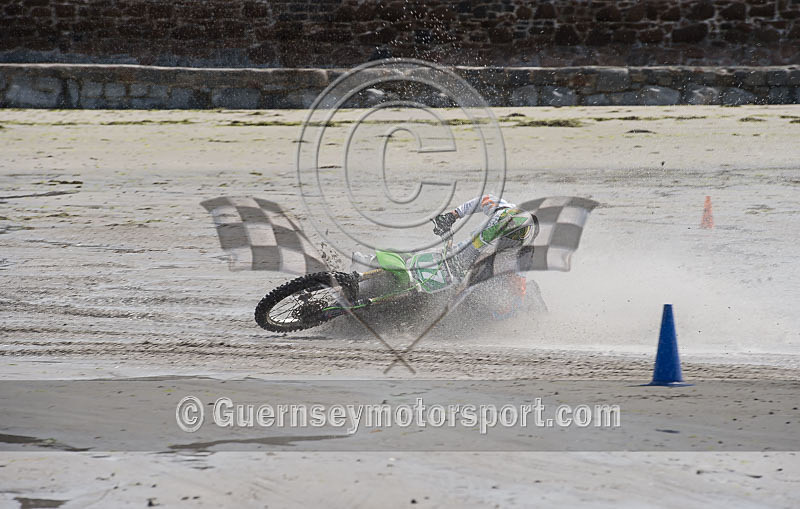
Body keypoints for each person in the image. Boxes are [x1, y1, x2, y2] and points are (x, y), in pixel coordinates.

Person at [432, 193, 535, 279]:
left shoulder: (523, 253)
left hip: (495, 265)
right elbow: (483, 200)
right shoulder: (505, 208)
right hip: (470, 249)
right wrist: (453, 215)